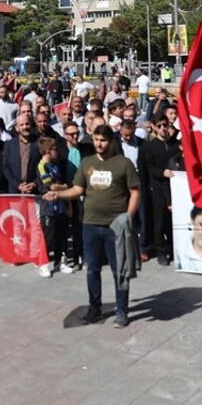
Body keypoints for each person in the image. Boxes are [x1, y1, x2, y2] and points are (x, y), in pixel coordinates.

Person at [44, 125, 140, 327]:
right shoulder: (87, 163)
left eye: (103, 140)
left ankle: (121, 310)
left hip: (116, 226)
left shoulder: (123, 163)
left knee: (119, 271)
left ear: (111, 142)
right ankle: (94, 308)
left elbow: (135, 192)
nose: (98, 143)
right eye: (96, 139)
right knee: (92, 270)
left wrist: (128, 217)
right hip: (90, 225)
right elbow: (78, 189)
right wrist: (58, 194)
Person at [141, 118, 181, 265]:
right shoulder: (150, 146)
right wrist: (162, 172)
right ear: (154, 127)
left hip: (175, 187)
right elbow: (149, 168)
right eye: (160, 126)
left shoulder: (174, 145)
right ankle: (161, 251)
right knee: (159, 220)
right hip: (158, 188)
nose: (163, 128)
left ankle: (173, 247)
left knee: (173, 220)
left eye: (166, 125)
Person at [36, 137, 72, 277]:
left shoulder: (55, 166)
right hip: (48, 208)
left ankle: (61, 262)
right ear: (47, 151)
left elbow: (59, 186)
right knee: (48, 237)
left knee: (61, 236)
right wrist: (65, 187)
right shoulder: (42, 166)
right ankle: (43, 264)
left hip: (61, 205)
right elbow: (51, 186)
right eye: (55, 149)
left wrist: (68, 204)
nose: (57, 152)